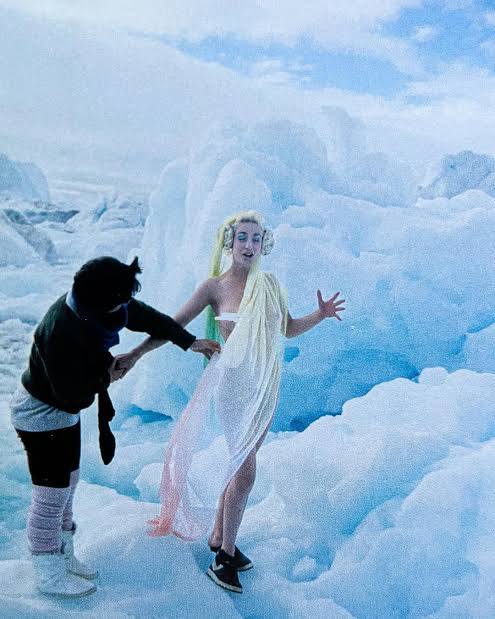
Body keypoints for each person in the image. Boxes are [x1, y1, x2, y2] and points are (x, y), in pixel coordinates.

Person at [137, 211, 345, 594]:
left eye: (256, 239)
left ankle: (219, 535)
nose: (249, 245)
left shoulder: (270, 285)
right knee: (246, 472)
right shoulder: (214, 287)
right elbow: (173, 324)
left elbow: (287, 329)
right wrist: (139, 353)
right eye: (242, 238)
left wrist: (320, 314)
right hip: (233, 385)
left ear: (263, 244)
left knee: (239, 466)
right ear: (229, 242)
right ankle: (225, 558)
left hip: (264, 386)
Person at [10, 256, 220, 598]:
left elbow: (150, 319)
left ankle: (62, 555)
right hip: (40, 414)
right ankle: (47, 569)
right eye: (118, 303)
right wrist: (104, 377)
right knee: (51, 495)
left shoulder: (104, 303)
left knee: (67, 485)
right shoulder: (61, 332)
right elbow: (71, 396)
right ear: (97, 303)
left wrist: (189, 341)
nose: (124, 308)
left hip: (62, 414)